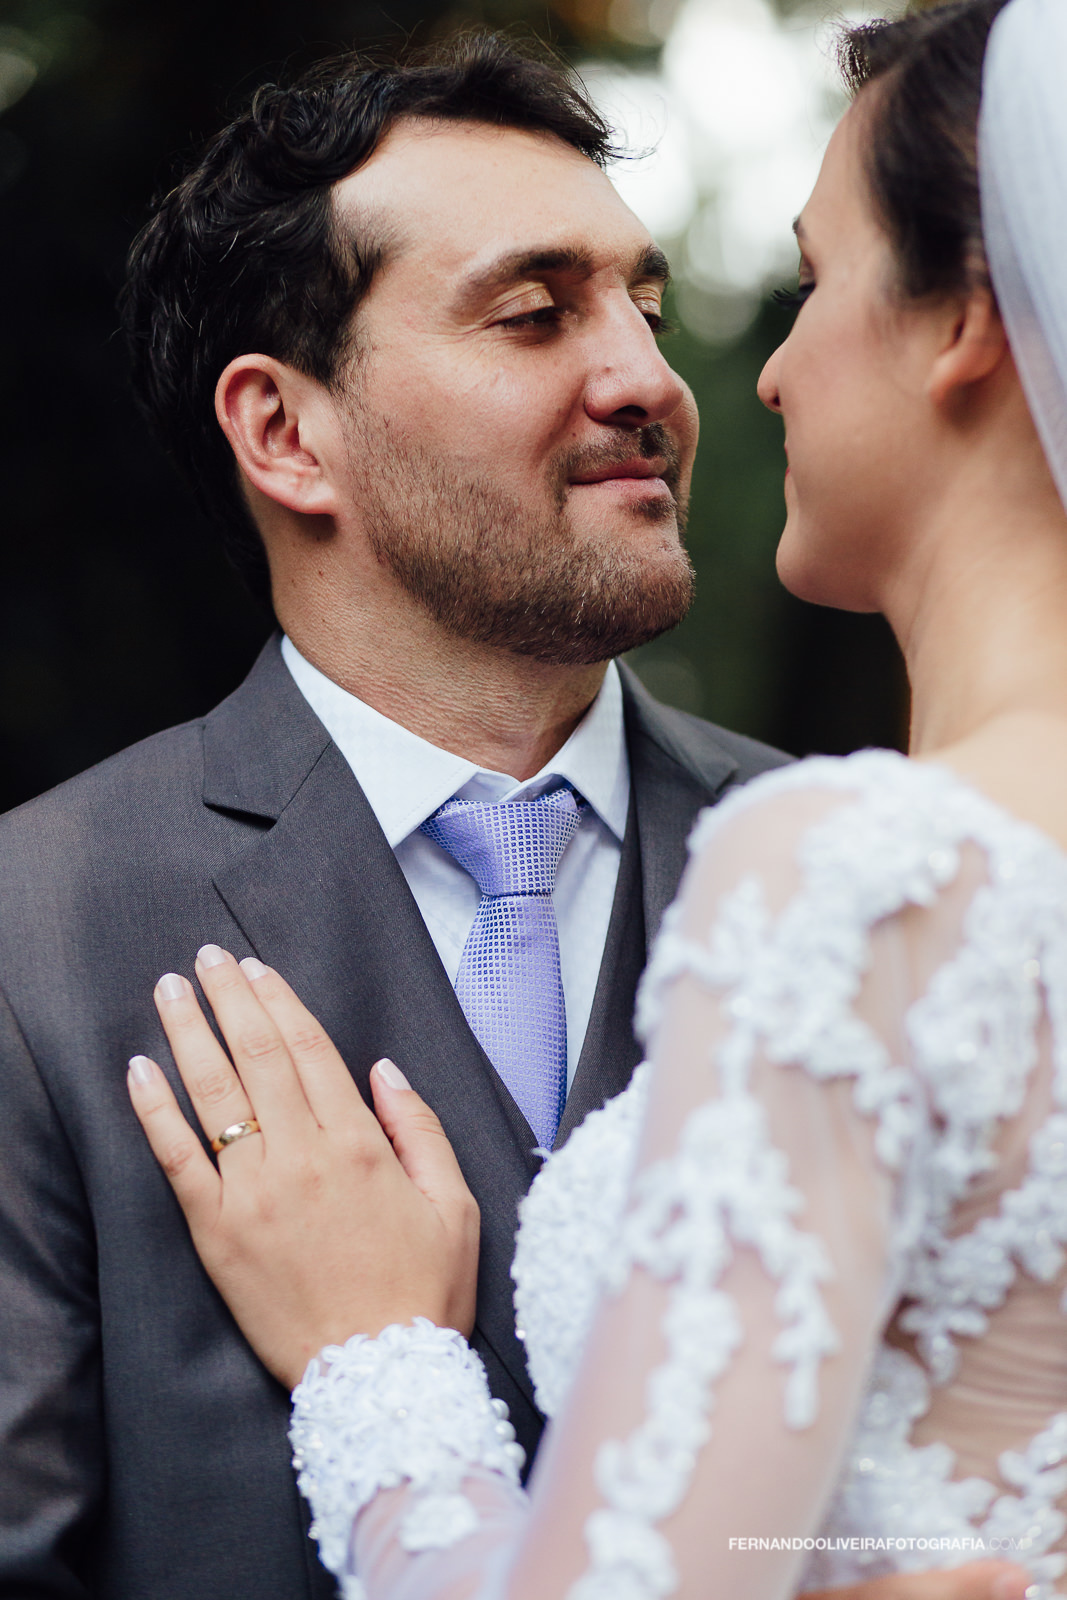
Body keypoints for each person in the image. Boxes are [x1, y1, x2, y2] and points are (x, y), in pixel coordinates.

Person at [124, 0, 1067, 1597]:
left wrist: (374, 1367)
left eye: (648, 296)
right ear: (284, 432)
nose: (675, 376)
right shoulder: (46, 934)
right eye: (533, 314)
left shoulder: (831, 864)